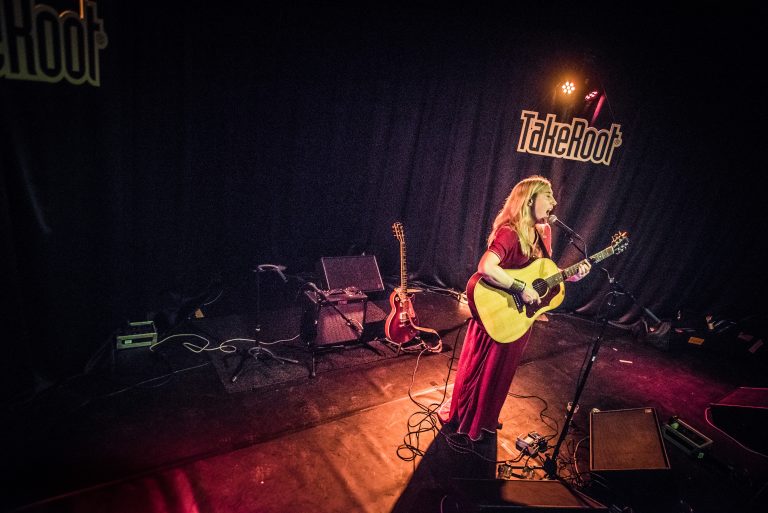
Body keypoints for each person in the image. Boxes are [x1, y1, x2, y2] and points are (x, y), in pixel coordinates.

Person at [441, 175, 591, 442]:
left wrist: (571, 276)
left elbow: (541, 273)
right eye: (548, 196)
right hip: (498, 313)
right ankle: (471, 420)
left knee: (501, 373)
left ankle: (486, 418)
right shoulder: (509, 232)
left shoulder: (542, 232)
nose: (554, 203)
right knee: (487, 370)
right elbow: (486, 267)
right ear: (530, 199)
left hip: (520, 317)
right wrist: (520, 288)